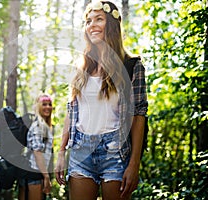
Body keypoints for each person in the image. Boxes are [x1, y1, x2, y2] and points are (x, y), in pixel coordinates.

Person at [55, 1, 148, 199]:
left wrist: (134, 164)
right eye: (88, 21)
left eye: (99, 19)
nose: (92, 25)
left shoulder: (132, 66)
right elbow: (71, 111)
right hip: (81, 150)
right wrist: (61, 151)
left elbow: (139, 115)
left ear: (112, 25)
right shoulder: (81, 67)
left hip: (116, 151)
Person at [18, 94, 54, 200]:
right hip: (33, 172)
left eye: (50, 104)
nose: (48, 107)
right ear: (38, 107)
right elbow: (37, 152)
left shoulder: (45, 126)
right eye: (44, 104)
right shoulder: (38, 126)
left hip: (36, 172)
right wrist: (46, 176)